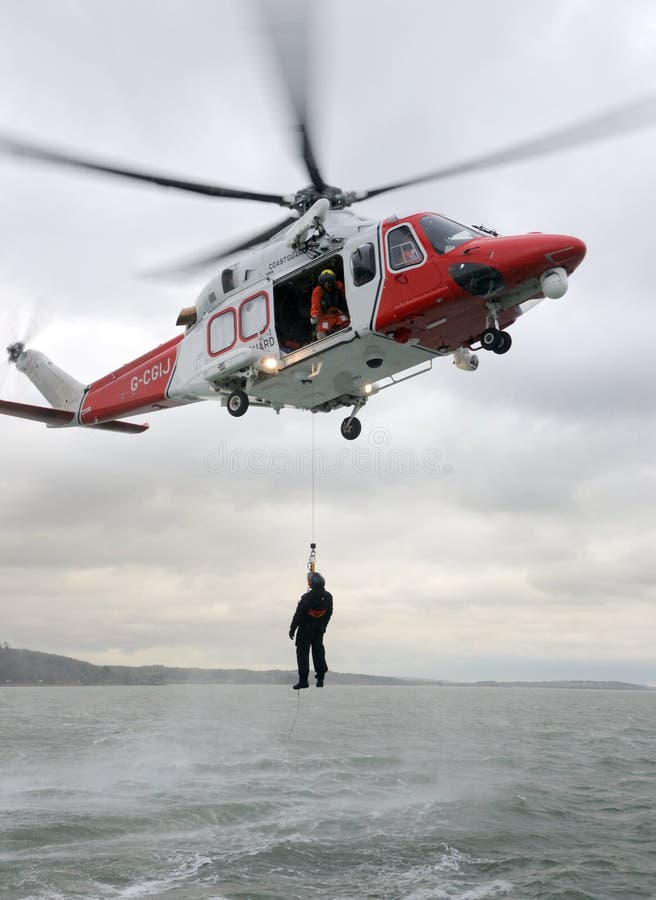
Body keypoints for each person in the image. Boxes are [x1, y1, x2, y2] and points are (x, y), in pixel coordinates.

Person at [288, 571, 333, 689]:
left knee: (302, 653)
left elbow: (298, 615)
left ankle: (303, 681)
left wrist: (292, 629)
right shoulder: (328, 597)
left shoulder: (306, 598)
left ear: (311, 584)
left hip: (305, 630)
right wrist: (323, 627)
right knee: (318, 651)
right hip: (318, 629)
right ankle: (320, 678)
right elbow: (329, 613)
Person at [310, 269, 349, 339]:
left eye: (329, 282)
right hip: (325, 316)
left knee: (347, 324)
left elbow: (345, 297)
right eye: (325, 283)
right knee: (321, 334)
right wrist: (314, 316)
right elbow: (315, 305)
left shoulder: (339, 286)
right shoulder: (317, 291)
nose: (328, 285)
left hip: (338, 313)